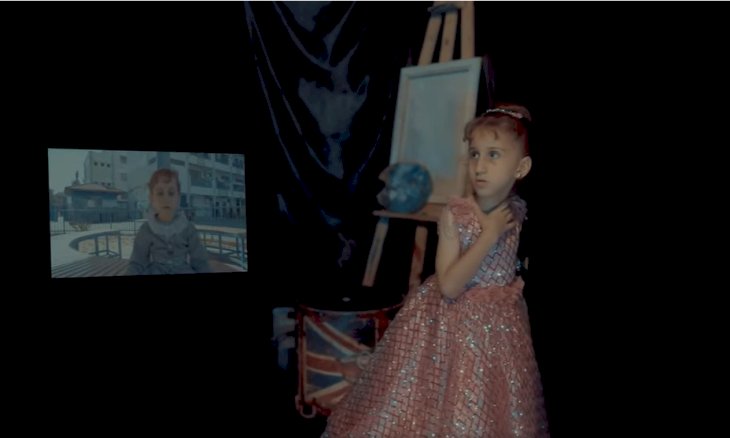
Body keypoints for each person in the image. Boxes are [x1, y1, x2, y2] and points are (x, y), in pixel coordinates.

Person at [322, 104, 549, 437]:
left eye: (493, 155)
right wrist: (488, 235)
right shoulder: (456, 214)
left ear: (521, 167)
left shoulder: (516, 210)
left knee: (496, 402)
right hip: (452, 327)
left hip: (500, 329)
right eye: (474, 154)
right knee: (450, 400)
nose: (480, 166)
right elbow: (451, 286)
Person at [127, 168, 211, 275]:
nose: (166, 199)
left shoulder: (188, 228)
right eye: (160, 193)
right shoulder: (146, 229)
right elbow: (138, 262)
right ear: (151, 198)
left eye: (171, 193)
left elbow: (200, 261)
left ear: (178, 197)